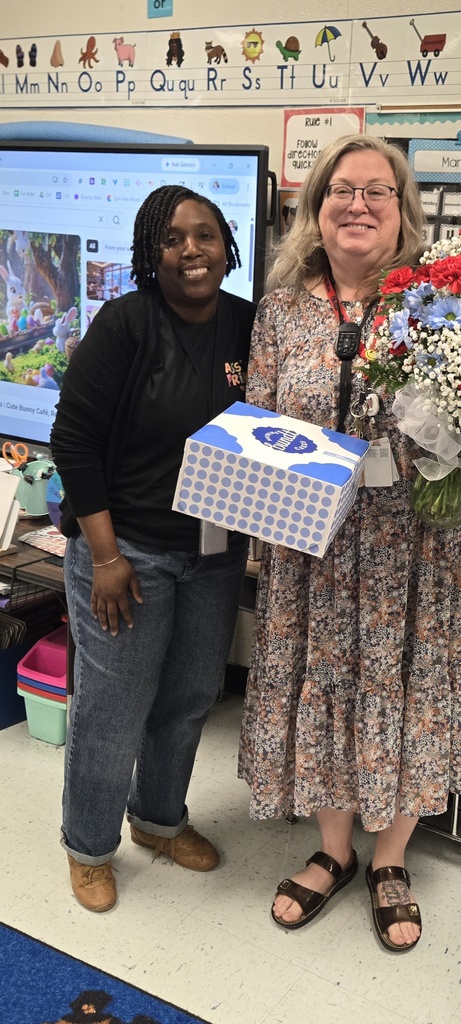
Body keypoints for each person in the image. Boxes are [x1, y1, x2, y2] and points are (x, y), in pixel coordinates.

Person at [238, 135, 461, 952]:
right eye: (339, 190)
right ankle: (334, 852)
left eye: (376, 192)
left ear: (402, 209)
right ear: (315, 208)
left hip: (420, 552)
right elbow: (259, 423)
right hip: (316, 547)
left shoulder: (442, 301)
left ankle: (392, 862)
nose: (357, 205)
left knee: (411, 689)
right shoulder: (282, 309)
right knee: (326, 685)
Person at [51, 184, 256, 913]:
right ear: (151, 253)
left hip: (214, 551)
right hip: (128, 553)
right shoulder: (126, 324)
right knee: (114, 705)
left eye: (205, 235)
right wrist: (105, 559)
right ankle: (89, 846)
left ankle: (159, 821)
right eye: (173, 239)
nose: (191, 250)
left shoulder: (247, 324)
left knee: (191, 695)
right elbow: (72, 442)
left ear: (227, 246)